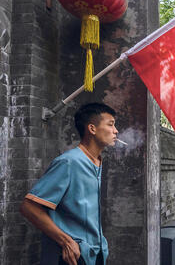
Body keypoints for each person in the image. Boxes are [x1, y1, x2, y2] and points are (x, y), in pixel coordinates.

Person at [19, 103, 118, 265]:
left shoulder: (97, 162)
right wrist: (66, 241)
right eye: (111, 124)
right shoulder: (69, 162)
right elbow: (28, 206)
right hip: (71, 257)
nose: (116, 131)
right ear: (92, 129)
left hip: (94, 254)